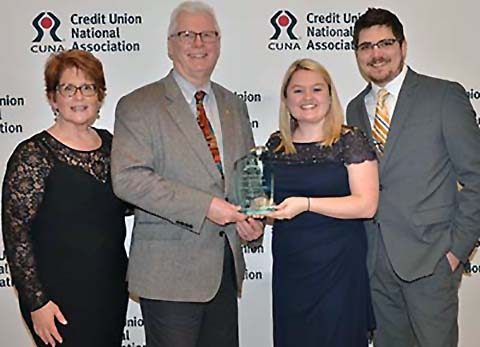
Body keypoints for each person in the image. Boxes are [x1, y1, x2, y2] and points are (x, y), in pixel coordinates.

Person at [110, 2, 263, 347]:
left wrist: (251, 220)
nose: (198, 43)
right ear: (169, 45)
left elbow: (246, 175)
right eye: (187, 35)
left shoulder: (234, 105)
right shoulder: (138, 105)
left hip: (224, 270)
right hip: (168, 276)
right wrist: (208, 206)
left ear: (219, 43)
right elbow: (129, 179)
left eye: (208, 34)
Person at [346, 8, 480, 347]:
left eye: (385, 43)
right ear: (358, 55)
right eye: (366, 47)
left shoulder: (444, 96)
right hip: (376, 264)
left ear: (403, 46)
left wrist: (455, 252)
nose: (376, 54)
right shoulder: (354, 109)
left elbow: (476, 177)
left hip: (432, 262)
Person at [1, 49, 128, 347]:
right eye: (68, 88)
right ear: (52, 98)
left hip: (109, 290)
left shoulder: (114, 146)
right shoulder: (32, 155)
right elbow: (16, 234)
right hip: (56, 300)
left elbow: (130, 200)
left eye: (87, 87)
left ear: (100, 96)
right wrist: (36, 303)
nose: (79, 97)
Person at [265, 58, 379, 347]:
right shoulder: (275, 145)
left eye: (317, 89)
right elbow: (266, 203)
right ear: (286, 99)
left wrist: (306, 204)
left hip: (339, 269)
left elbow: (366, 205)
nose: (307, 98)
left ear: (329, 95)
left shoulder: (349, 140)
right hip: (291, 269)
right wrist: (256, 214)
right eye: (297, 90)